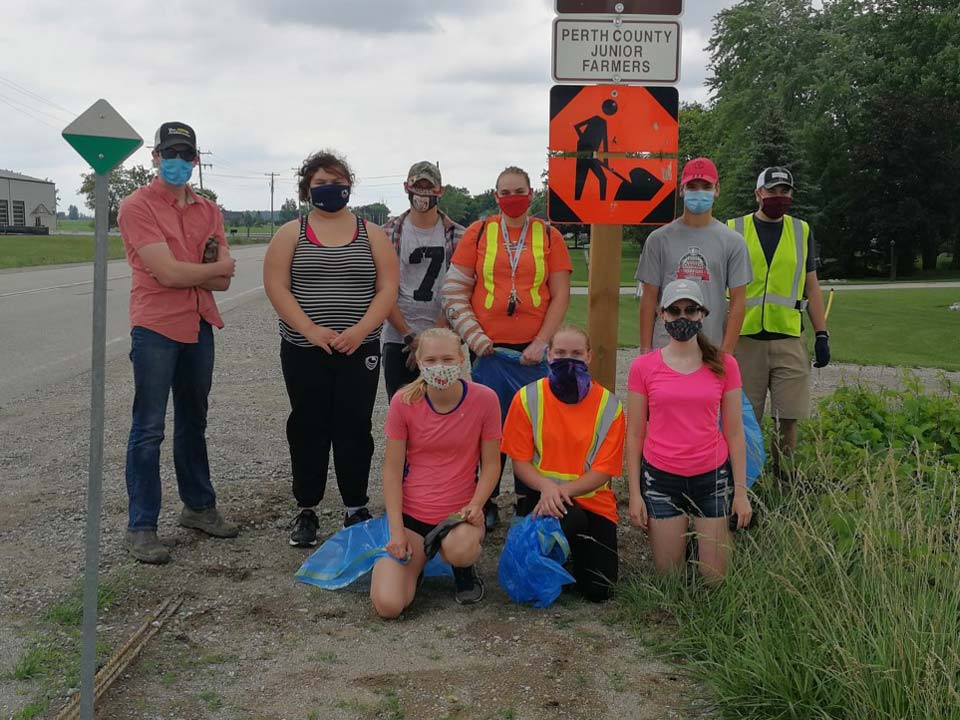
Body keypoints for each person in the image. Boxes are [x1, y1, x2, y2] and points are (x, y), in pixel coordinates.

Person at [117, 121, 239, 564]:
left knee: (193, 420)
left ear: (196, 160)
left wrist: (197, 273)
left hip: (198, 323)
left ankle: (198, 508)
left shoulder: (209, 210)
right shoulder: (136, 207)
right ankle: (141, 527)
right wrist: (206, 270)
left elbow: (224, 280)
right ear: (155, 157)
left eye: (186, 154)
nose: (178, 161)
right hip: (155, 326)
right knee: (148, 428)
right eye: (170, 153)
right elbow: (169, 274)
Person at [263, 150, 399, 548]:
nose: (329, 189)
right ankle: (307, 508)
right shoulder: (291, 233)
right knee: (308, 426)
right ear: (307, 188)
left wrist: (360, 331)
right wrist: (309, 330)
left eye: (337, 182)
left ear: (349, 186)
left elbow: (387, 288)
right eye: (321, 183)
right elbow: (277, 286)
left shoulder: (372, 234)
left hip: (359, 349)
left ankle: (356, 505)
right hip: (304, 349)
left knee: (354, 426)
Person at [442, 166, 573, 530]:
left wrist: (541, 342)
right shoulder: (479, 233)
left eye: (519, 191)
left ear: (531, 194)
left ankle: (528, 499)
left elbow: (560, 295)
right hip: (488, 350)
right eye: (505, 192)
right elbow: (453, 291)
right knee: (489, 429)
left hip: (534, 350)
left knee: (532, 428)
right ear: (495, 196)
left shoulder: (549, 236)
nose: (512, 198)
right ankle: (485, 501)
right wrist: (475, 337)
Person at [370, 328, 502, 618]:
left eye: (447, 359)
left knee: (460, 549)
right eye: (431, 360)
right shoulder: (404, 401)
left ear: (462, 359)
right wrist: (396, 532)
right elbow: (391, 471)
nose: (440, 367)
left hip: (458, 516)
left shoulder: (485, 399)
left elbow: (492, 464)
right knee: (388, 605)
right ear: (418, 361)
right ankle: (413, 564)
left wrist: (477, 505)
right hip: (412, 517)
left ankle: (463, 570)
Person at [626, 280, 752, 582]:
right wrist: (635, 494)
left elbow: (735, 433)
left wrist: (741, 492)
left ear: (703, 314)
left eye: (691, 310)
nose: (683, 317)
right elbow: (635, 434)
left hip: (711, 475)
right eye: (675, 310)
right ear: (662, 315)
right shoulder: (643, 367)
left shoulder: (724, 364)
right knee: (669, 578)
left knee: (715, 579)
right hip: (661, 477)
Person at [501, 325, 624, 602]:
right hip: (542, 498)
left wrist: (561, 492)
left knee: (600, 591)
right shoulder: (527, 397)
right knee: (529, 582)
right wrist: (547, 488)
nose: (568, 359)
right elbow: (520, 463)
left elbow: (604, 471)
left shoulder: (609, 405)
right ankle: (550, 551)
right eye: (560, 352)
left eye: (577, 353)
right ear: (549, 355)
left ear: (589, 356)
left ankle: (570, 554)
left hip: (593, 501)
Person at [728, 167, 830, 478]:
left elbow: (811, 286)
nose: (779, 196)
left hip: (788, 337)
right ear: (758, 194)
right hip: (746, 340)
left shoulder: (801, 231)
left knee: (788, 417)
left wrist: (822, 334)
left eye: (784, 191)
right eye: (772, 191)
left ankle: (784, 480)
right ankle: (745, 482)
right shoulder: (734, 229)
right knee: (745, 417)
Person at [636, 157, 752, 355]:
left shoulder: (733, 241)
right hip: (665, 346)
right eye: (692, 186)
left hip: (710, 347)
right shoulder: (658, 239)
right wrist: (646, 350)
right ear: (682, 190)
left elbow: (738, 301)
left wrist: (726, 353)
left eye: (706, 186)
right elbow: (649, 298)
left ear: (717, 190)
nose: (699, 192)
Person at [380, 161, 465, 400]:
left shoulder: (459, 235)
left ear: (441, 190)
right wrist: (409, 336)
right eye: (418, 186)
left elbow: (460, 290)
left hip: (444, 337)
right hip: (398, 338)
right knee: (402, 408)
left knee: (443, 408)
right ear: (406, 187)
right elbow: (383, 289)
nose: (423, 193)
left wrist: (432, 338)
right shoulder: (387, 233)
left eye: (429, 187)